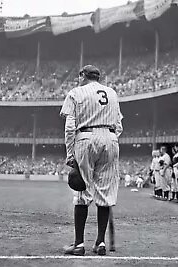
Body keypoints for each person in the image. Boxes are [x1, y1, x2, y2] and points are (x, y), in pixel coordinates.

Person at [60, 65, 123, 256]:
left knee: (83, 192)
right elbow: (119, 125)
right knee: (105, 193)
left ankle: (79, 244)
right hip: (111, 138)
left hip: (86, 137)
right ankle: (100, 243)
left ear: (82, 76)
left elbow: (70, 126)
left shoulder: (76, 92)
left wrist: (71, 154)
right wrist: (109, 139)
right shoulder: (112, 93)